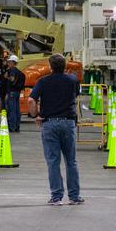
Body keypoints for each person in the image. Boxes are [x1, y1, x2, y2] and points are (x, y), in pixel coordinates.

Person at [29, 53, 83, 205]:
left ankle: (56, 196)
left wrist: (36, 115)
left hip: (50, 124)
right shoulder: (72, 80)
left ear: (50, 67)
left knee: (53, 161)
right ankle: (74, 196)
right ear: (65, 66)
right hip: (68, 123)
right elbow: (76, 95)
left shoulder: (43, 81)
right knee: (71, 161)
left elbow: (31, 99)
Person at [3, 54, 26, 132]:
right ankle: (16, 126)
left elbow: (12, 79)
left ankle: (11, 127)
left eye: (9, 62)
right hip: (17, 93)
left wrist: (7, 77)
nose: (8, 63)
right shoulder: (19, 72)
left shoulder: (12, 70)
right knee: (16, 110)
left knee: (11, 110)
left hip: (12, 93)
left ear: (13, 62)